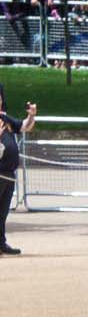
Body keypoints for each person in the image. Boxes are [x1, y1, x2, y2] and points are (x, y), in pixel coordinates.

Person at [0, 84, 37, 254]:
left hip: (9, 173)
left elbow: (24, 127)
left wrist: (31, 116)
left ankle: (1, 243)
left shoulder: (5, 119)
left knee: (2, 212)